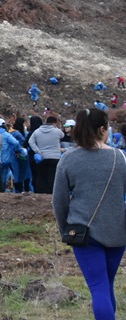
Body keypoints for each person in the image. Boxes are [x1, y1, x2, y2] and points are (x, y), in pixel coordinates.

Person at [53, 107, 126, 320]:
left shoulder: (69, 159)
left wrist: (65, 229)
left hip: (84, 232)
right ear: (102, 129)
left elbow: (58, 201)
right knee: (106, 285)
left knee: (99, 287)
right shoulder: (120, 158)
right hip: (117, 232)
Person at [30, 115, 64, 195]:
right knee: (52, 175)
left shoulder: (37, 131)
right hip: (55, 157)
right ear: (54, 123)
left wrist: (37, 151)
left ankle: (41, 192)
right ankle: (51, 193)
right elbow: (62, 135)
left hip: (42, 157)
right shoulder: (57, 131)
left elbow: (30, 142)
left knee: (41, 175)